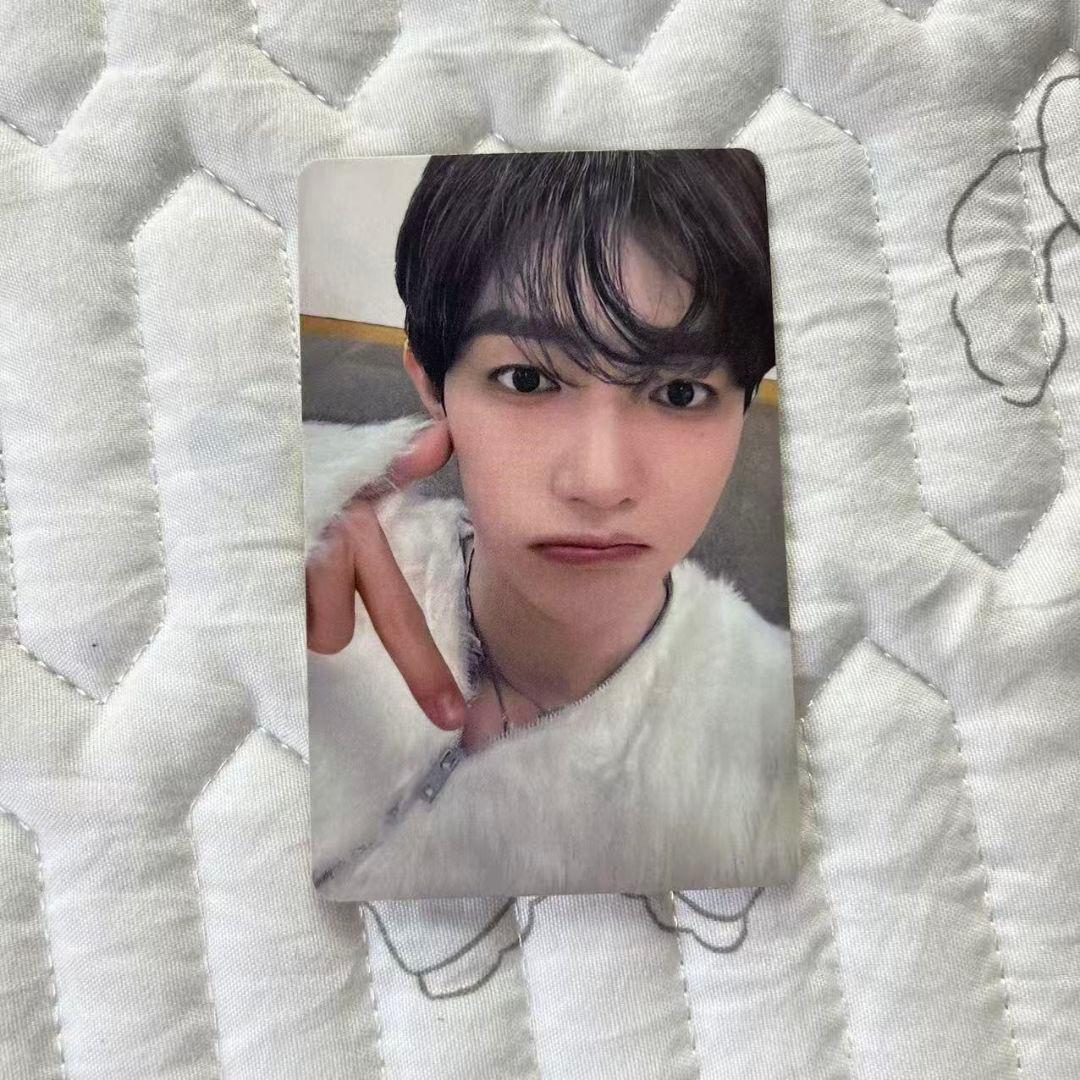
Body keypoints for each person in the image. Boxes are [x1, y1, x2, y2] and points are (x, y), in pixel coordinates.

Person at [304, 149, 798, 900]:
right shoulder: (312, 593)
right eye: (528, 380)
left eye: (679, 392)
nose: (600, 484)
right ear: (433, 386)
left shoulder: (777, 730)